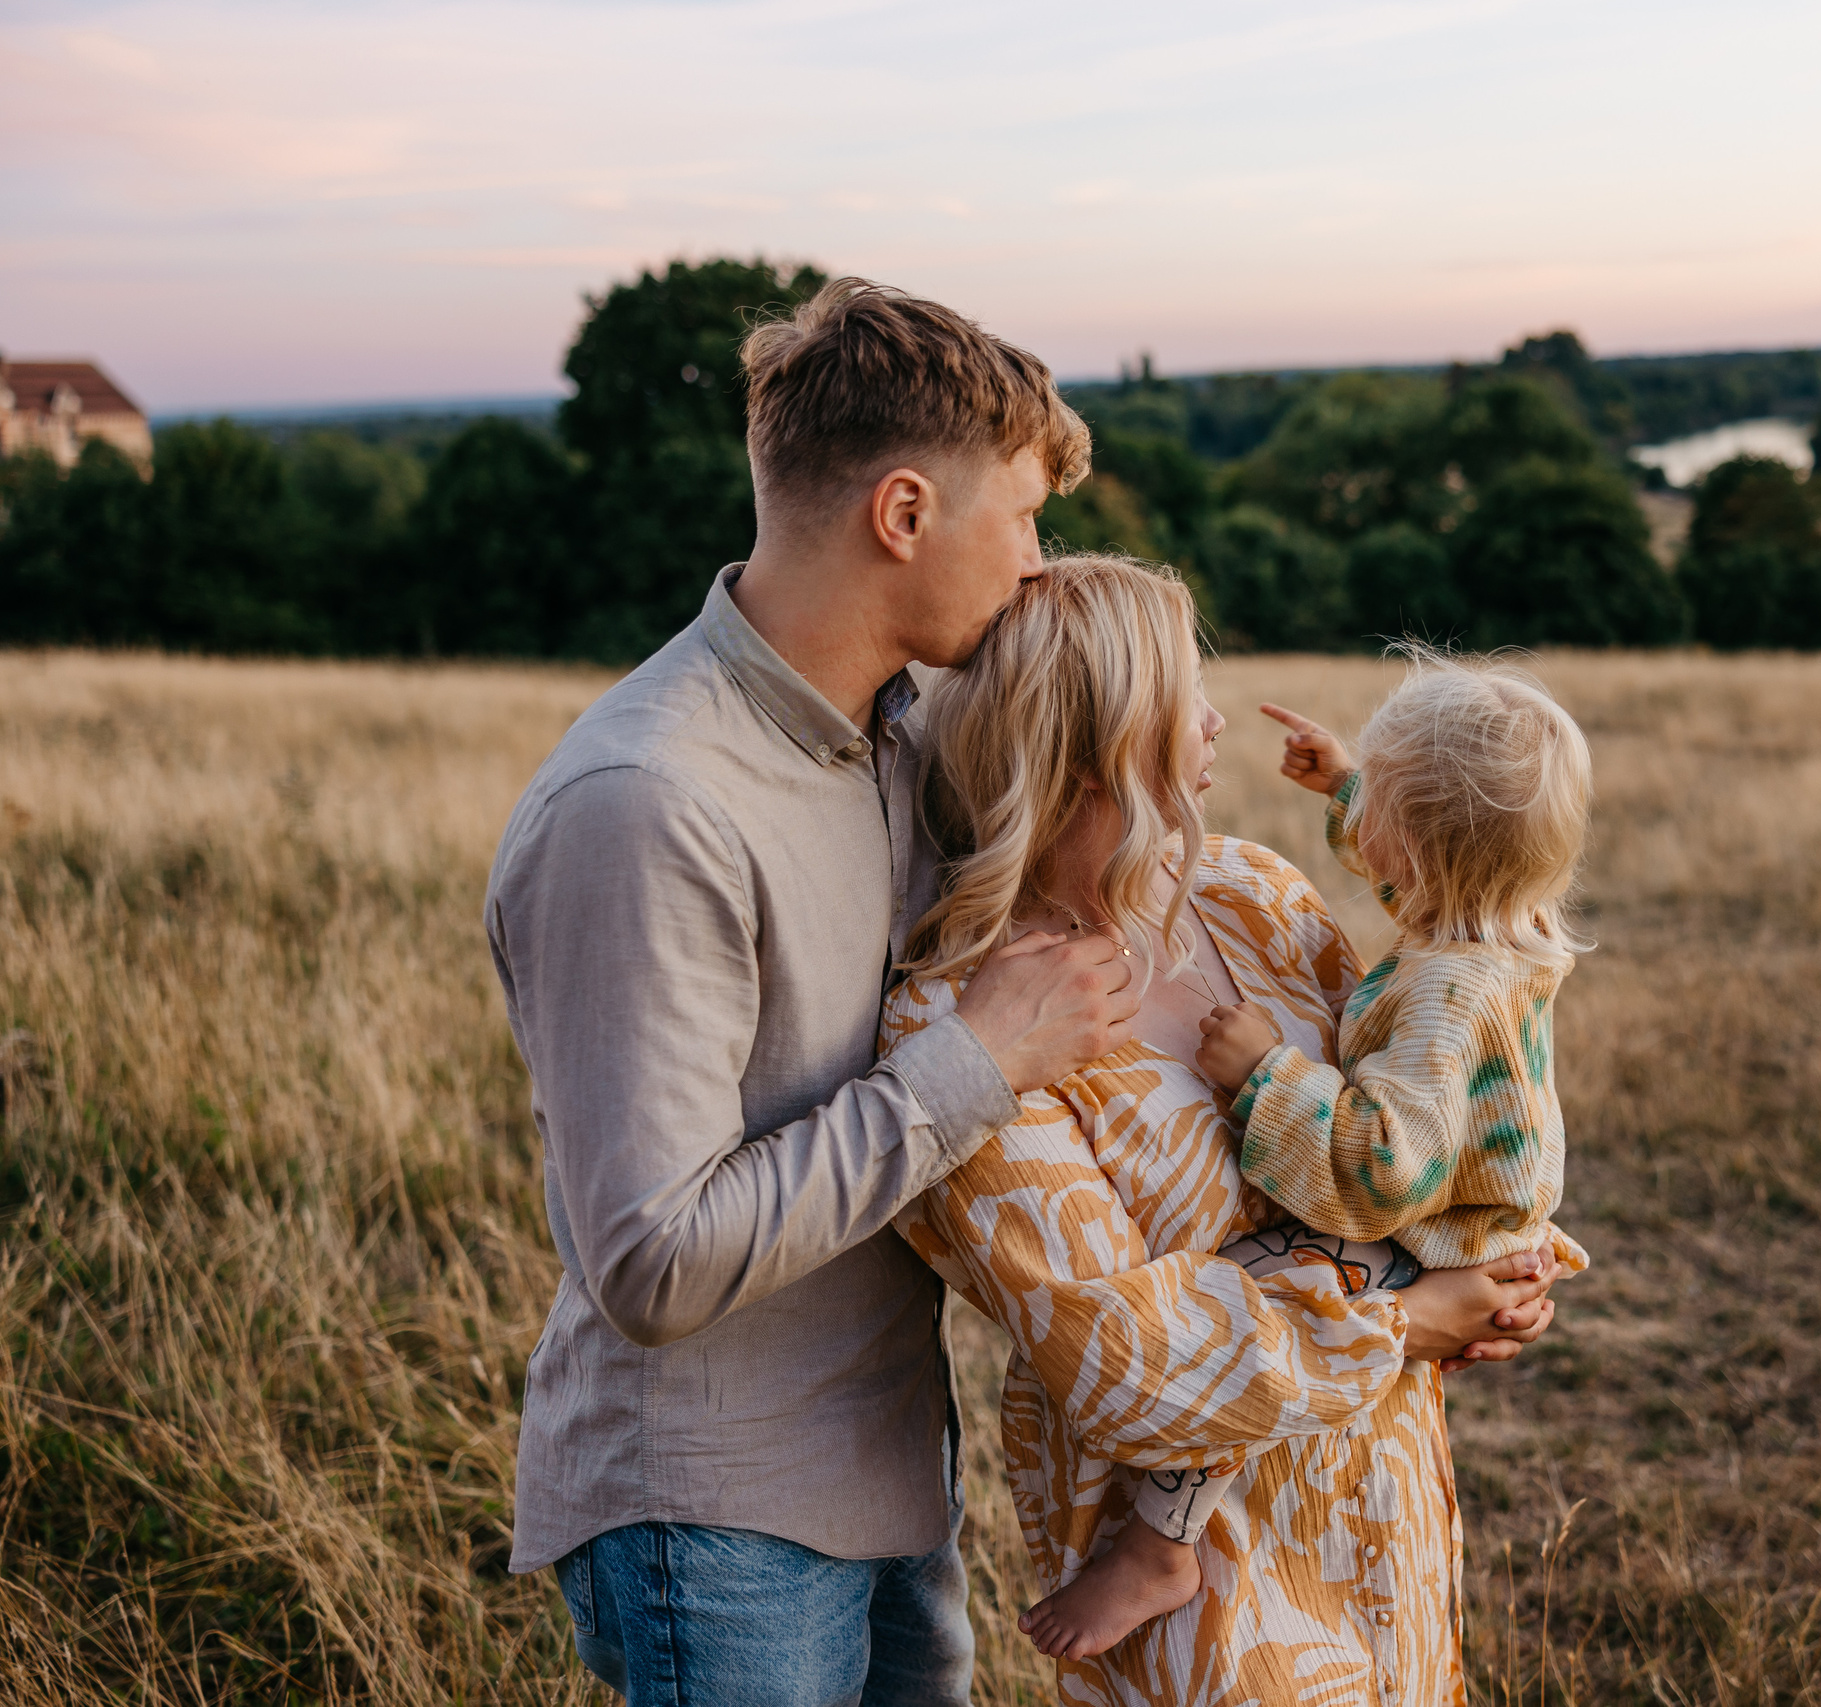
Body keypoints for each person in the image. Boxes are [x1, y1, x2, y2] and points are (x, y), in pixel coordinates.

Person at [484, 279, 1146, 1707]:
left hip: (891, 1468)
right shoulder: (647, 802)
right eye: (1024, 519)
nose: (1040, 566)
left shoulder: (902, 739)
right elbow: (654, 1260)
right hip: (716, 1515)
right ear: (903, 515)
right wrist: (975, 1064)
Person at [884, 556, 1565, 1702]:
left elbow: (1406, 1116)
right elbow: (1120, 1365)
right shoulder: (960, 1019)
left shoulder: (1254, 894)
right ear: (1096, 748)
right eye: (1179, 697)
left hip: (1386, 1515)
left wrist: (1490, 1261)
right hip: (1219, 1603)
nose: (1211, 723)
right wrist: (1401, 1322)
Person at [1034, 656, 1595, 1655]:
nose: (1357, 820)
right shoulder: (1493, 926)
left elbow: (1386, 1172)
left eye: (1374, 793)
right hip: (1477, 1223)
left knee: (1248, 1287)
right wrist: (1348, 785)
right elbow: (1419, 858)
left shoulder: (1444, 993)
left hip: (1426, 1236)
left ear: (1417, 847)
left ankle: (1162, 1545)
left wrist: (1268, 1078)